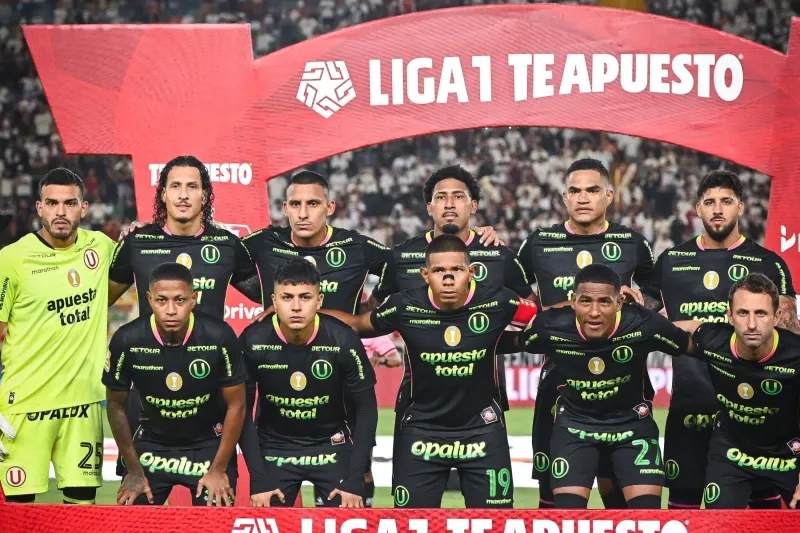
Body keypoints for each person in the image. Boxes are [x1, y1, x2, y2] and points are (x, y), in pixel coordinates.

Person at [326, 235, 538, 508]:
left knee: (495, 522)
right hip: (421, 430)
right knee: (412, 523)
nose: (448, 279)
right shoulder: (403, 305)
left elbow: (540, 323)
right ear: (425, 275)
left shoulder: (501, 301)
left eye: (457, 270)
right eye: (439, 271)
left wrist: (505, 341)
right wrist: (303, 315)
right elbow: (357, 324)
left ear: (471, 272)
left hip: (482, 428)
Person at [641, 169, 798, 510]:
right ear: (697, 208)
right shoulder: (671, 262)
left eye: (726, 201)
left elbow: (789, 343)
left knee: (763, 515)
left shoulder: (768, 263)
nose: (717, 209)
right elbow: (640, 320)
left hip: (756, 415)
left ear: (740, 207)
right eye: (709, 202)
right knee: (683, 507)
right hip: (690, 407)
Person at [108, 155, 262, 481]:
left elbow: (273, 296)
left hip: (210, 400)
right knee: (139, 503)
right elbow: (98, 301)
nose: (183, 194)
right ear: (162, 193)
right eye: (175, 186)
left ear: (204, 195)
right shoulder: (138, 242)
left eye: (192, 186)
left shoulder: (226, 244)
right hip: (149, 401)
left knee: (214, 504)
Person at [516, 158, 655, 509]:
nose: (582, 198)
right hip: (558, 386)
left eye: (592, 190)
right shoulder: (538, 243)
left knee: (622, 502)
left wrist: (636, 307)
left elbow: (656, 296)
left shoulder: (632, 243)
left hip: (624, 388)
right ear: (564, 197)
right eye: (574, 191)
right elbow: (514, 293)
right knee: (555, 502)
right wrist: (545, 315)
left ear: (609, 195)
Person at [518, 264, 689, 509]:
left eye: (605, 302)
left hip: (632, 426)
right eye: (585, 301)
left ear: (619, 303)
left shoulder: (644, 322)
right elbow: (514, 341)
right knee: (569, 519)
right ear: (573, 302)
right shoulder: (550, 326)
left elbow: (689, 344)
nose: (594, 312)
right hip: (574, 428)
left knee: (646, 520)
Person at [0, 168, 116, 503]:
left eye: (70, 203)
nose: (60, 211)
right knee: (18, 513)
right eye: (52, 203)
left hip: (84, 403)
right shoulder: (12, 259)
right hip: (23, 406)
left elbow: (135, 263)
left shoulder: (101, 247)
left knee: (82, 510)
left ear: (84, 208)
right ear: (39, 207)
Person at [104, 263, 250, 506]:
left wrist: (218, 469)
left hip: (208, 444)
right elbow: (115, 405)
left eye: (180, 300)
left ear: (194, 299)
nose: (171, 310)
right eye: (161, 300)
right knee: (133, 519)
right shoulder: (127, 339)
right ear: (149, 299)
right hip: (152, 444)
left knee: (216, 519)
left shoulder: (219, 336)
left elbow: (238, 405)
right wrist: (134, 470)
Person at [239, 259, 378, 508]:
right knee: (269, 520)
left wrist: (355, 476)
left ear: (319, 300)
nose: (296, 307)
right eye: (287, 297)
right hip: (275, 448)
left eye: (305, 297)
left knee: (348, 519)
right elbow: (241, 410)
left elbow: (366, 410)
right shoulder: (253, 340)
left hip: (331, 445)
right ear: (274, 301)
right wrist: (258, 478)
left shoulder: (343, 339)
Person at [674, 274, 800, 508]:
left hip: (789, 454)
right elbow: (682, 327)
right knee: (718, 523)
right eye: (743, 313)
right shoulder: (714, 340)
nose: (751, 324)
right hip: (732, 453)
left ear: (777, 316)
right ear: (729, 316)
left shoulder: (796, 355)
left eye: (760, 313)